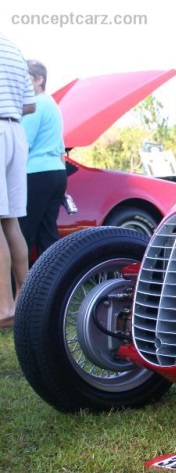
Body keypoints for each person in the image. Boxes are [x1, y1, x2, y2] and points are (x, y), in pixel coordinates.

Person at [0, 34, 35, 328]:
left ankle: (4, 308)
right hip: (14, 132)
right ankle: (24, 303)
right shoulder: (13, 47)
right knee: (11, 221)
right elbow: (30, 105)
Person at [21, 59, 67, 261]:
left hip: (36, 174)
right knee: (47, 235)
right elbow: (61, 148)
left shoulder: (36, 104)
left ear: (40, 79)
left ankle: (16, 288)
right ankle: (53, 287)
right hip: (57, 173)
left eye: (26, 77)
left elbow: (23, 143)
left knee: (24, 233)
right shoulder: (52, 105)